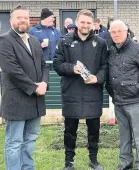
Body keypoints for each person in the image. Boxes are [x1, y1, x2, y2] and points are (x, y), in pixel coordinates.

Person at [53, 9, 108, 170]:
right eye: (82, 22)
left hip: (93, 93)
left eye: (88, 23)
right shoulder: (64, 41)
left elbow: (105, 66)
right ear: (77, 23)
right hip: (71, 92)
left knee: (94, 131)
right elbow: (57, 64)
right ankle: (69, 162)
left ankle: (93, 160)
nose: (85, 25)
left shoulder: (101, 43)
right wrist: (72, 68)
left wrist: (97, 78)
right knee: (70, 131)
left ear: (93, 24)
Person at [0, 4, 49, 170]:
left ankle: (27, 167)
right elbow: (12, 70)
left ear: (30, 21)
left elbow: (44, 66)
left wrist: (44, 83)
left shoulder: (34, 41)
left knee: (30, 139)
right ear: (11, 20)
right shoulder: (4, 40)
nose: (23, 20)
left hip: (35, 100)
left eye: (26, 18)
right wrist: (35, 87)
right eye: (19, 17)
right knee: (14, 142)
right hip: (16, 101)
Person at [106, 20, 139, 170]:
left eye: (119, 31)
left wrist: (138, 88)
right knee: (124, 135)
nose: (116, 34)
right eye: (113, 32)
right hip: (118, 101)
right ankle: (125, 163)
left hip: (134, 101)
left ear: (126, 31)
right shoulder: (111, 50)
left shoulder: (137, 49)